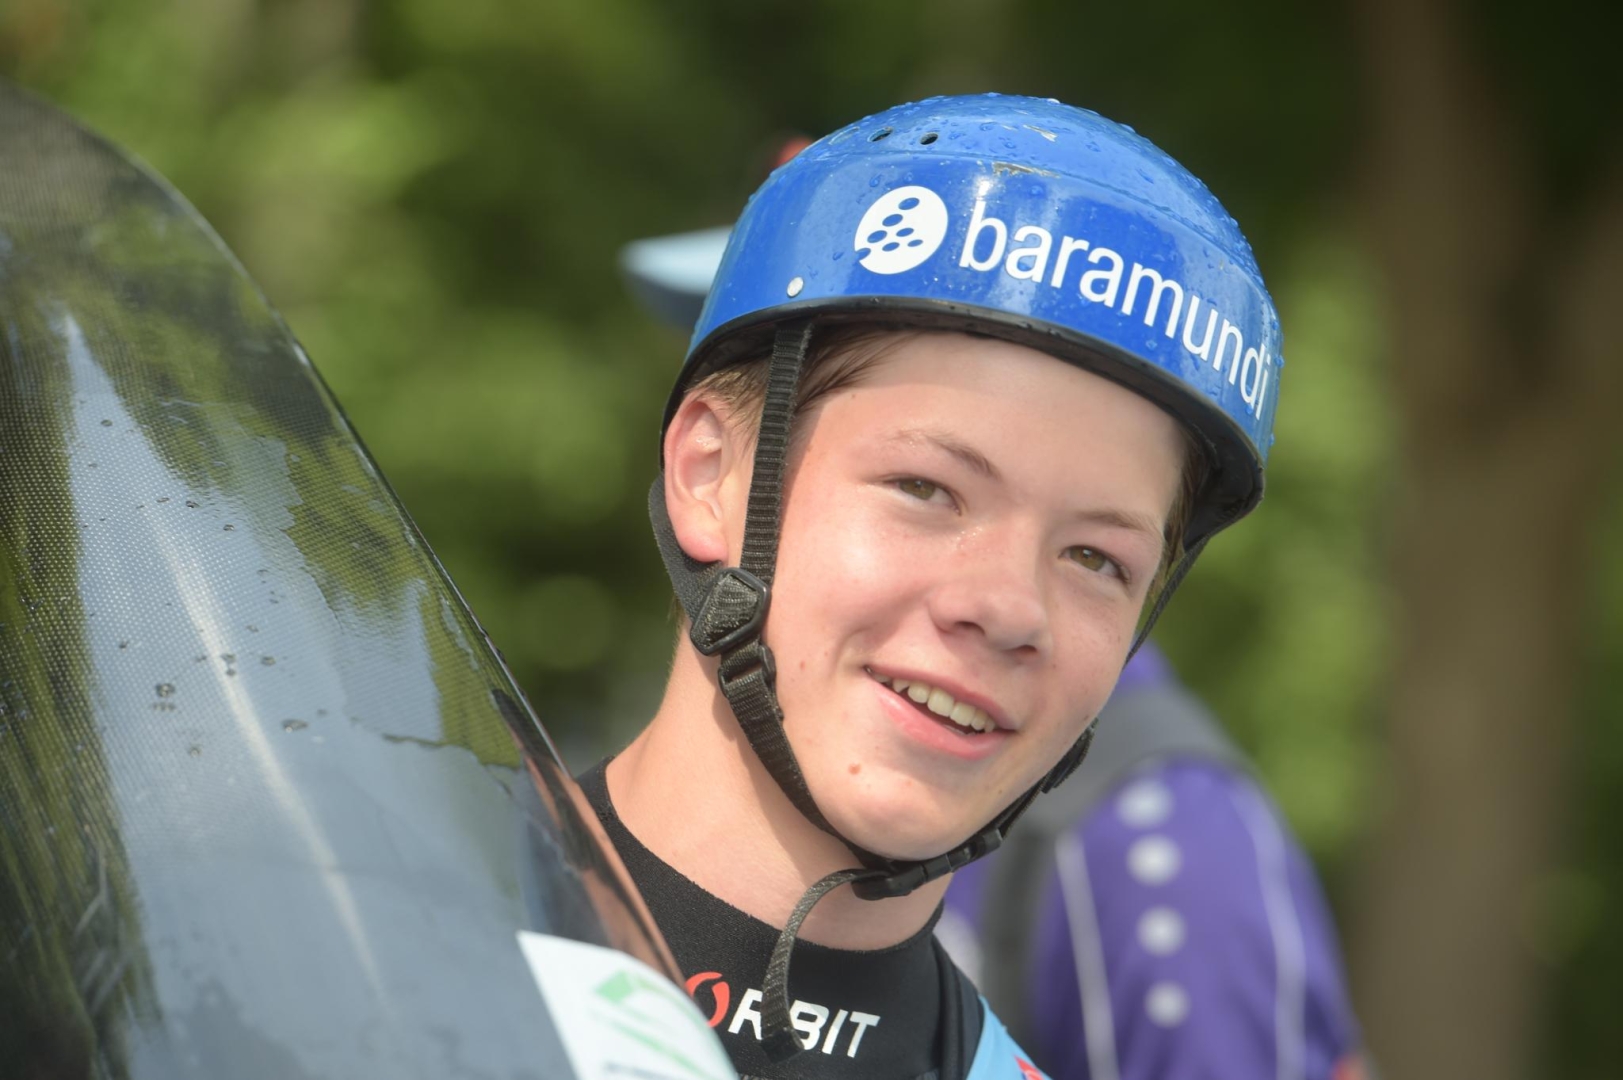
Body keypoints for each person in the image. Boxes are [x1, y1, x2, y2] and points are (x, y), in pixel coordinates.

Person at [583, 93, 1286, 1080]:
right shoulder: (378, 917)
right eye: (926, 489)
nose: (1007, 609)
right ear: (711, 474)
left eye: (1096, 558)